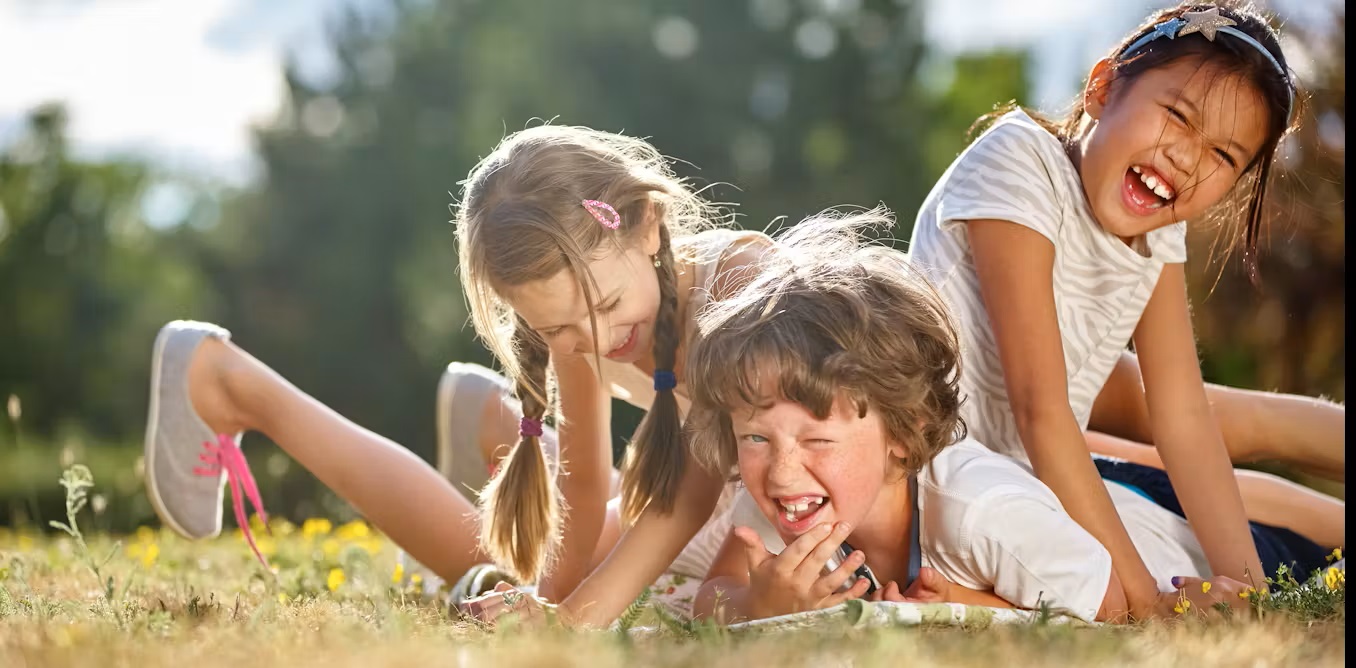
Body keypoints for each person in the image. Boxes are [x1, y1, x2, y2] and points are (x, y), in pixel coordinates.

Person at [144, 124, 772, 628]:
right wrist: (542, 601)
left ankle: (486, 418)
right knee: (528, 573)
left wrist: (566, 620)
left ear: (645, 225)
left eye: (606, 308)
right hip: (699, 496)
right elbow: (581, 492)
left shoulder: (742, 286)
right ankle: (231, 383)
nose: (595, 341)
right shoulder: (577, 323)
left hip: (745, 492)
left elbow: (691, 491)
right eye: (555, 331)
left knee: (598, 580)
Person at [680, 209, 1332, 625]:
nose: (781, 469)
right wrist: (756, 604)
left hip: (1193, 554)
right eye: (754, 436)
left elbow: (1122, 615)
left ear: (901, 443)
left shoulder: (982, 513)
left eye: (816, 438)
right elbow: (718, 590)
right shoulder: (786, 499)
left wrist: (974, 609)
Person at [903, 1, 1337, 620]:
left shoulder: (1159, 235)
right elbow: (1041, 410)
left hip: (1040, 484)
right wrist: (1149, 603)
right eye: (1177, 116)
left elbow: (1184, 419)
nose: (1185, 158)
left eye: (1222, 156)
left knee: (1249, 544)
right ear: (1104, 87)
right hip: (942, 478)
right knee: (1055, 537)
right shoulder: (1019, 162)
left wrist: (1246, 592)